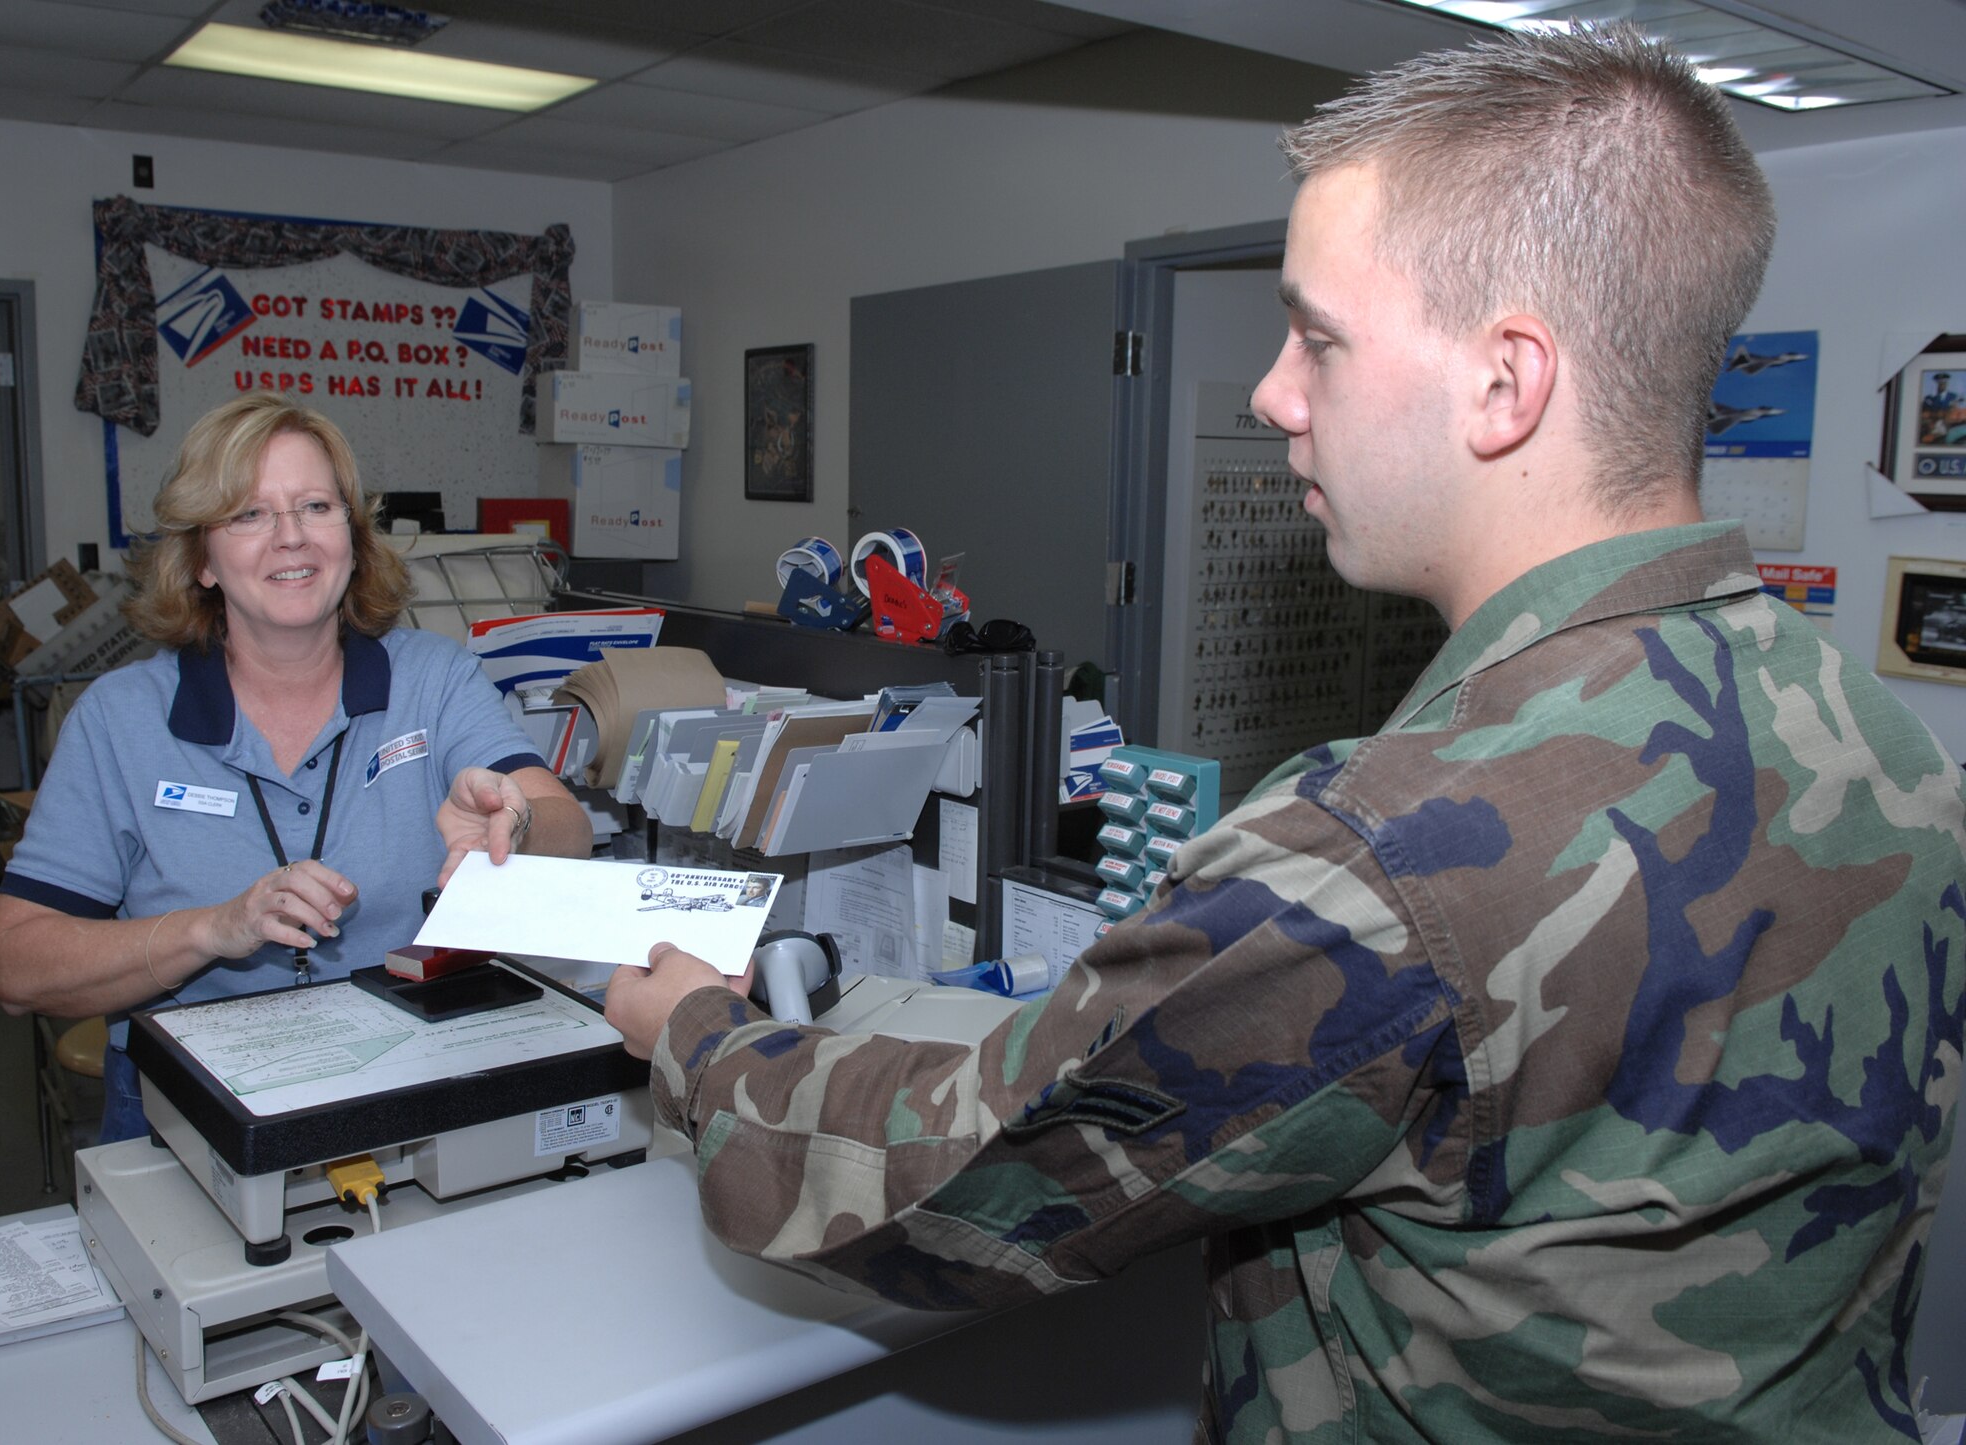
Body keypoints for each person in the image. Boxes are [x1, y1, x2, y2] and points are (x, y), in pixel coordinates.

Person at [605, 27, 1966, 1443]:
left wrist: (702, 1034)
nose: (1270, 393)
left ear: (1507, 384)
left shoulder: (1385, 855)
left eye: (1319, 335)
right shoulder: (1895, 748)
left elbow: (966, 1184)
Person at [0, 393, 591, 1142]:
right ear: (201, 560)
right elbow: (15, 966)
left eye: (314, 505)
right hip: (187, 1110)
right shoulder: (119, 720)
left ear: (353, 537)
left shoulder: (432, 680)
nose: (291, 538)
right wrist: (212, 929)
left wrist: (517, 820)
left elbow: (569, 826)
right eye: (248, 514)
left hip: (414, 1081)